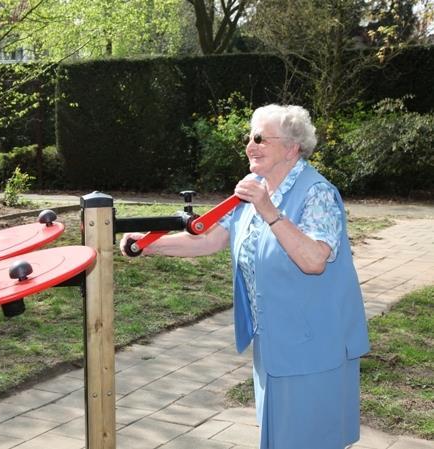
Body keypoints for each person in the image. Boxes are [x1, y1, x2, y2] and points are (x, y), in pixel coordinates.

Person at [120, 104, 370, 449]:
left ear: (292, 148)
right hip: (274, 342)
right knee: (281, 438)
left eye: (260, 139)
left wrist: (268, 210)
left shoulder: (317, 193)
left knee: (310, 440)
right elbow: (210, 238)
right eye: (249, 138)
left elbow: (314, 260)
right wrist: (149, 245)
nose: (250, 146)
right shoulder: (254, 186)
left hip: (315, 344)